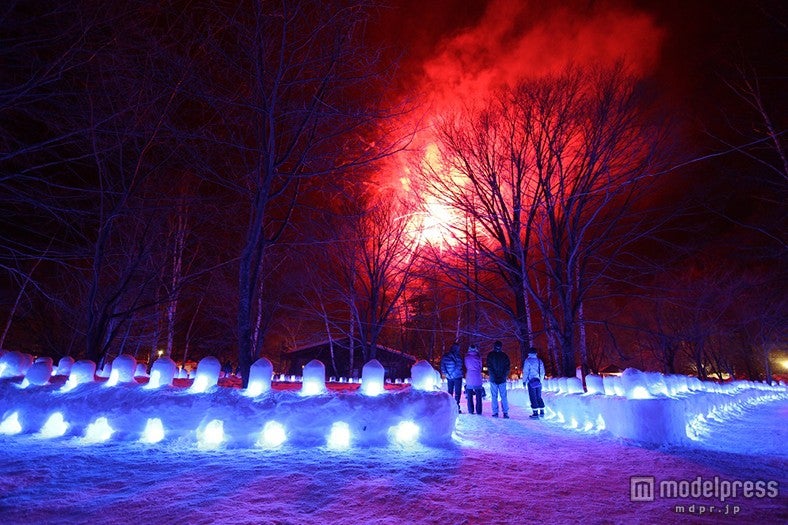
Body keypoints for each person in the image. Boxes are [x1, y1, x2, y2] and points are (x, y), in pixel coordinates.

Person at [486, 340, 510, 418]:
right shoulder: (505, 356)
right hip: (502, 380)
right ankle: (505, 412)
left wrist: (494, 377)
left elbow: (489, 367)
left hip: (493, 379)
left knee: (494, 396)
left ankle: (495, 412)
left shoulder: (490, 355)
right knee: (503, 396)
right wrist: (503, 377)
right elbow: (507, 368)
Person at [522, 347, 546, 418]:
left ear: (529, 353)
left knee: (533, 397)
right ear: (536, 353)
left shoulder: (527, 361)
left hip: (531, 381)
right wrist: (540, 381)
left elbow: (526, 372)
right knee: (539, 396)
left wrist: (524, 381)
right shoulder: (539, 361)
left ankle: (535, 413)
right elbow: (542, 372)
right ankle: (542, 411)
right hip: (538, 381)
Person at [440, 342, 464, 412]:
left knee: (450, 391)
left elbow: (442, 366)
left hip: (449, 377)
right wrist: (453, 373)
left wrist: (447, 374)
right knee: (457, 392)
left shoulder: (446, 355)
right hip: (457, 376)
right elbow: (460, 366)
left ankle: (450, 406)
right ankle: (456, 407)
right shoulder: (459, 356)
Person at [464, 345, 484, 415]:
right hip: (477, 376)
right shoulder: (478, 357)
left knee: (469, 395)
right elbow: (480, 366)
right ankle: (479, 411)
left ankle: (470, 410)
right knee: (478, 396)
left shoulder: (466, 357)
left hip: (469, 376)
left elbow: (466, 366)